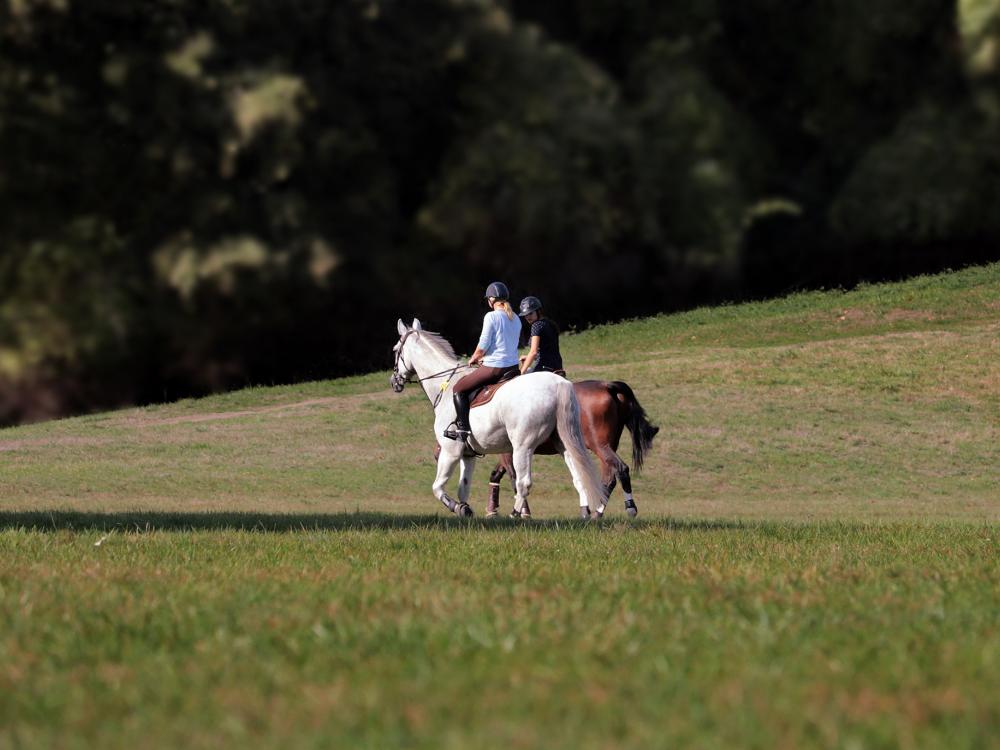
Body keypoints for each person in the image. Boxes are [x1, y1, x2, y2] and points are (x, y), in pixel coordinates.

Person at [445, 281, 522, 442]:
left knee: (458, 389)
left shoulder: (491, 316)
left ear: (492, 300)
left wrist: (474, 358)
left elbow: (483, 345)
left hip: (495, 368)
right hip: (513, 368)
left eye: (488, 299)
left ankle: (463, 430)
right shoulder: (516, 318)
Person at [518, 295, 564, 376]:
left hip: (544, 368)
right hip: (558, 367)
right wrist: (528, 357)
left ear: (538, 311)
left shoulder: (536, 325)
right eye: (525, 315)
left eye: (530, 313)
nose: (528, 317)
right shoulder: (549, 324)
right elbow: (548, 352)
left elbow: (533, 352)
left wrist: (521, 372)